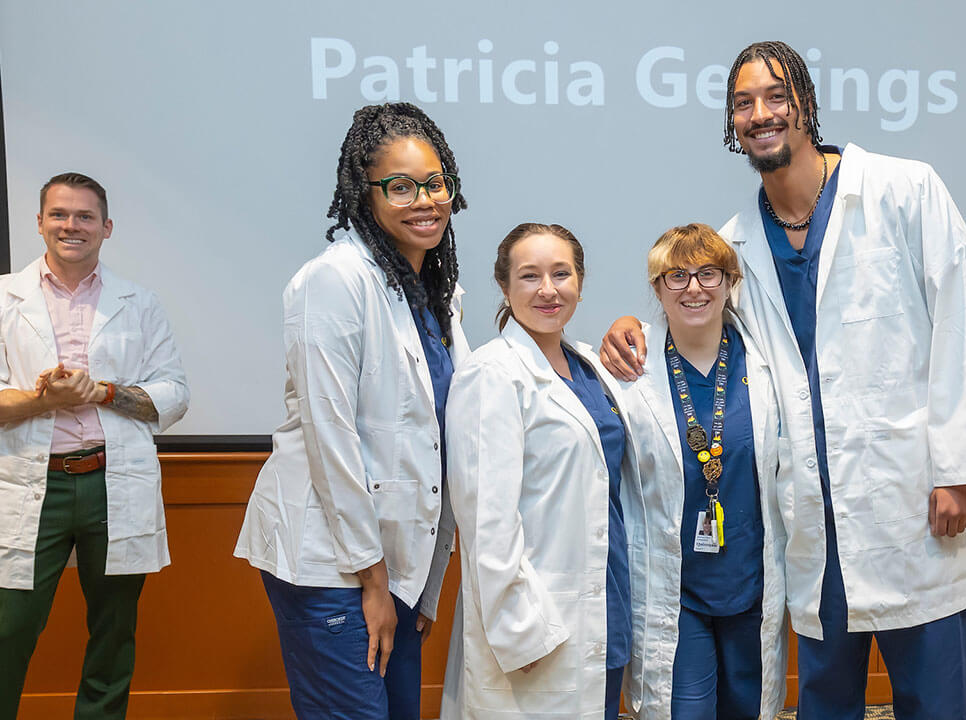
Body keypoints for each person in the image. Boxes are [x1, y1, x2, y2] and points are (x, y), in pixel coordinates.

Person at [603, 41, 966, 720]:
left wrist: (959, 469)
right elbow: (688, 316)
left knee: (934, 703)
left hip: (913, 502)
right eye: (743, 103)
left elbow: (962, 324)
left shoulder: (905, 191)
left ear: (807, 104)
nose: (760, 114)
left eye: (775, 96)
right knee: (825, 702)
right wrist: (625, 327)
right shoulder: (738, 246)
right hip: (815, 524)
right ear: (733, 126)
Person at [234, 102, 469, 720]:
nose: (424, 199)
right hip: (333, 564)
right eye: (400, 187)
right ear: (363, 195)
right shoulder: (334, 280)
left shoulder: (435, 291)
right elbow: (329, 434)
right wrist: (371, 581)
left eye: (435, 182)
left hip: (395, 563)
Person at [0, 172, 189, 720]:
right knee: (9, 628)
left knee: (113, 634)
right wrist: (47, 400)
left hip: (113, 484)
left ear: (107, 228)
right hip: (34, 484)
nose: (71, 226)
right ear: (38, 223)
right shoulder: (5, 298)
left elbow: (173, 396)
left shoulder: (141, 303)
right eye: (59, 214)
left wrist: (102, 391)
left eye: (85, 216)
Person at [443, 223, 639, 720]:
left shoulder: (590, 366)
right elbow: (487, 517)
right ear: (505, 288)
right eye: (530, 276)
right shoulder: (493, 374)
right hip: (538, 619)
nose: (548, 290)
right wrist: (519, 629)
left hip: (605, 600)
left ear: (580, 282)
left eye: (561, 274)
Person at [622, 224, 787, 720]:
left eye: (708, 273)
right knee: (685, 711)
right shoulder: (628, 370)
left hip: (750, 582)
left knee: (747, 709)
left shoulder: (766, 363)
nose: (693, 288)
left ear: (730, 281)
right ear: (656, 288)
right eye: (675, 276)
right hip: (678, 589)